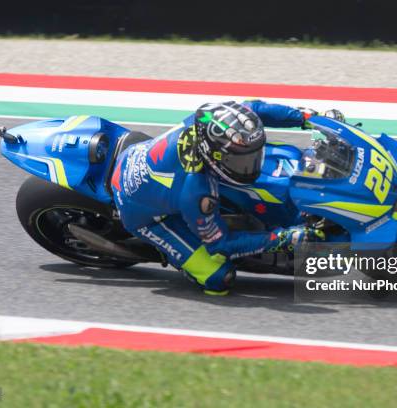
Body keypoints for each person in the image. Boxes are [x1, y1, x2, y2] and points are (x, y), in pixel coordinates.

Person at [110, 100, 345, 295]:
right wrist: (283, 237)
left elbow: (255, 109)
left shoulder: (207, 121)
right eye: (241, 161)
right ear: (213, 156)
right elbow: (223, 245)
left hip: (139, 157)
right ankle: (180, 257)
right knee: (219, 279)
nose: (251, 164)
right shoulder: (197, 191)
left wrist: (308, 118)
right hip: (142, 213)